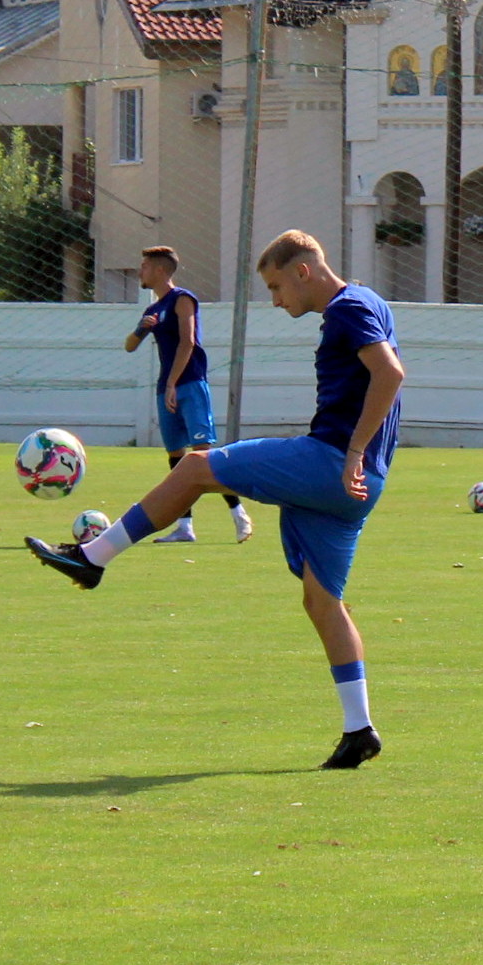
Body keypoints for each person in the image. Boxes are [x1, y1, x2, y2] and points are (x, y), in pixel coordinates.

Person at [29, 230, 405, 771]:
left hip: (332, 465)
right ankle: (359, 729)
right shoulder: (368, 301)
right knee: (322, 603)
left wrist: (352, 453)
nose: (275, 301)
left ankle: (92, 558)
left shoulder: (347, 307)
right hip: (359, 484)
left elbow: (390, 374)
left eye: (276, 287)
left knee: (196, 466)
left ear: (303, 271)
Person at [126, 244, 250, 544]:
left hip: (190, 384)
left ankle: (238, 513)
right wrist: (142, 330)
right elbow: (129, 346)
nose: (140, 272)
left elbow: (188, 342)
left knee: (204, 455)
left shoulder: (183, 299)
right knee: (176, 459)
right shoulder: (152, 310)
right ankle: (185, 527)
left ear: (159, 270)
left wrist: (172, 383)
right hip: (166, 388)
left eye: (144, 266)